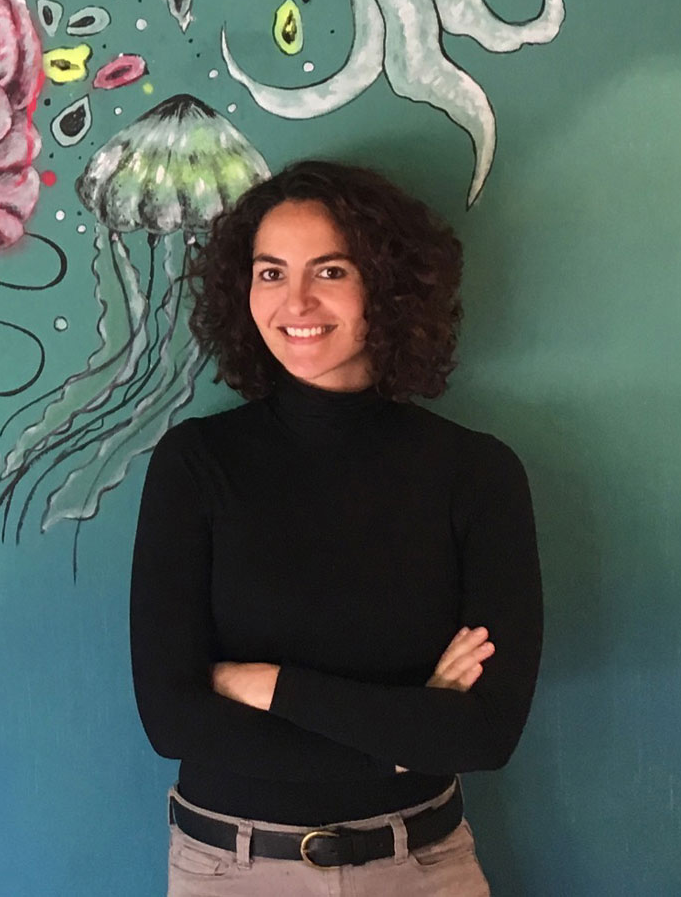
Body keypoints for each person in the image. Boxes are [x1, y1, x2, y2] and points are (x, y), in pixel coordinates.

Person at [129, 159, 540, 890]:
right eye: (270, 272)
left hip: (422, 869)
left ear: (387, 283)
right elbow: (173, 719)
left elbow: (485, 733)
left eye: (331, 270)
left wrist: (269, 685)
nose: (296, 301)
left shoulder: (477, 474)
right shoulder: (196, 464)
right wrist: (405, 736)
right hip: (232, 870)